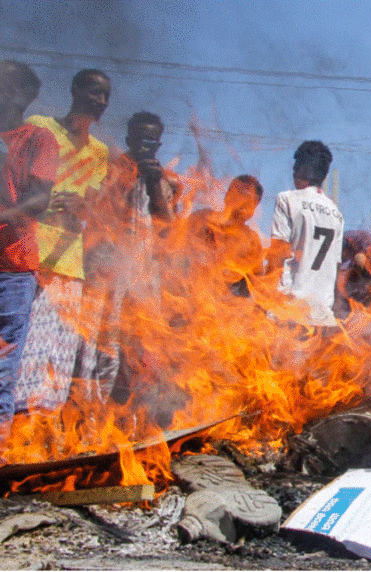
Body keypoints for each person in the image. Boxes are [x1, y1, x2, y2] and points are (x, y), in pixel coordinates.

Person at [17, 69, 110, 412]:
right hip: (27, 255)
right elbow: (13, 179)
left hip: (70, 265)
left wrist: (84, 206)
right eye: (94, 92)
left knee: (57, 354)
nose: (99, 101)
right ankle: (15, 426)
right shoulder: (41, 126)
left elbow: (97, 209)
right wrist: (42, 201)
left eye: (105, 97)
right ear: (75, 90)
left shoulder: (100, 153)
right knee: (23, 349)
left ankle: (44, 431)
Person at [78, 111, 181, 403]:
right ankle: (90, 408)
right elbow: (95, 210)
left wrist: (152, 183)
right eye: (140, 139)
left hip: (144, 274)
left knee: (139, 343)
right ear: (129, 139)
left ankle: (127, 411)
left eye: (152, 141)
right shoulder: (109, 168)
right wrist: (126, 181)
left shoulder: (165, 180)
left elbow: (168, 224)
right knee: (103, 342)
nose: (145, 146)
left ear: (159, 144)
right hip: (107, 268)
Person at [0, 61, 56, 428]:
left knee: (3, 359)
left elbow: (38, 202)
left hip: (12, 267)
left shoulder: (37, 140)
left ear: (25, 95)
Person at [267, 141, 345, 327]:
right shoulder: (337, 214)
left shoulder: (287, 199)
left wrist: (268, 297)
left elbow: (277, 252)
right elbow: (335, 267)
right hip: (322, 315)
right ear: (324, 174)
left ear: (299, 168)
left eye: (295, 166)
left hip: (290, 310)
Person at [185, 174, 264, 297]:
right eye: (236, 192)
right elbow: (173, 246)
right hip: (190, 296)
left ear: (253, 207)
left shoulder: (252, 241)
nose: (239, 199)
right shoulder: (202, 218)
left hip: (225, 308)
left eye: (246, 196)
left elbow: (257, 284)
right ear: (227, 195)